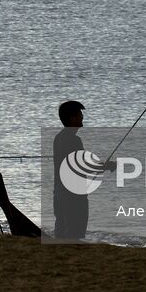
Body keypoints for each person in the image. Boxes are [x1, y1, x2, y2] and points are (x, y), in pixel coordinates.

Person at [53, 99, 91, 240]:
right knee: (75, 233)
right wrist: (106, 166)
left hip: (59, 193)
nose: (82, 117)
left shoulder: (58, 138)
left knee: (61, 231)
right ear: (72, 118)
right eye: (79, 114)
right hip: (73, 196)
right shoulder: (74, 140)